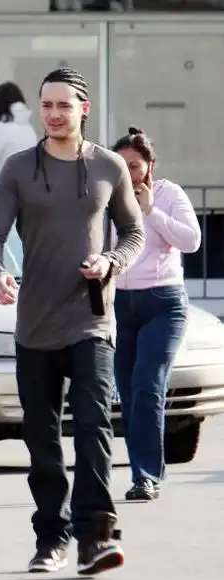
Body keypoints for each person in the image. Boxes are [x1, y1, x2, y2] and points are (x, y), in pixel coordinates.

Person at [0, 66, 145, 576]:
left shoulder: (109, 166)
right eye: (46, 105)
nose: (53, 114)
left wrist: (111, 262)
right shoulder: (18, 169)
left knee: (94, 425)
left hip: (91, 319)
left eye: (63, 105)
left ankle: (96, 535)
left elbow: (133, 233)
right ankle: (50, 537)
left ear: (83, 109)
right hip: (34, 324)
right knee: (42, 440)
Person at [111, 126, 201, 501]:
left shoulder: (168, 194)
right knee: (129, 394)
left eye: (135, 166)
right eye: (121, 166)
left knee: (148, 386)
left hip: (163, 303)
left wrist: (151, 211)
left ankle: (145, 476)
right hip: (120, 304)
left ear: (150, 165)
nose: (129, 174)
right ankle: (142, 472)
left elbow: (191, 241)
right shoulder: (108, 197)